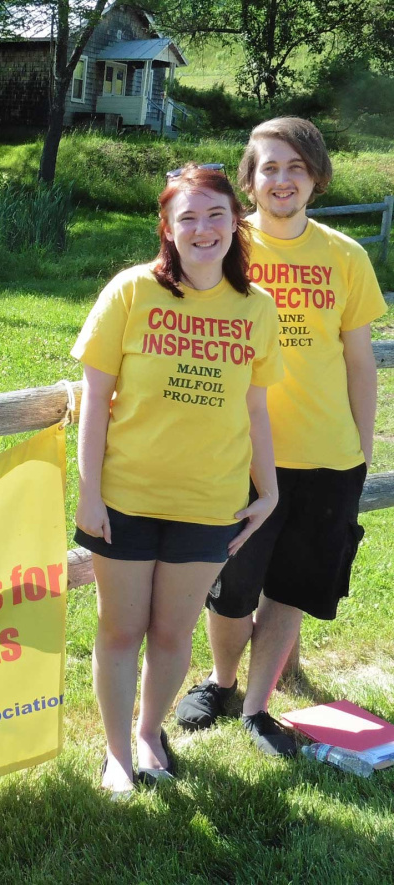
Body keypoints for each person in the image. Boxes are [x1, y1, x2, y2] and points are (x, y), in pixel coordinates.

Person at [175, 119, 387, 757]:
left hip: (326, 456)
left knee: (293, 584)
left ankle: (259, 708)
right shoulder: (223, 244)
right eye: (269, 167)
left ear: (316, 176)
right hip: (239, 453)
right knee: (232, 585)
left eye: (296, 166)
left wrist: (362, 449)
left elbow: (358, 360)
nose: (282, 179)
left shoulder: (346, 256)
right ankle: (220, 682)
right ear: (250, 179)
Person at [72, 164, 283, 796]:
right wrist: (88, 493)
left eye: (216, 214)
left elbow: (254, 407)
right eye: (187, 217)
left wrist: (267, 490)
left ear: (235, 223)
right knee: (120, 630)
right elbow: (94, 392)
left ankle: (147, 732)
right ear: (167, 228)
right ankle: (115, 754)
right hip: (125, 498)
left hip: (209, 503)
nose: (203, 228)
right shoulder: (133, 291)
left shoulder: (256, 308)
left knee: (171, 632)